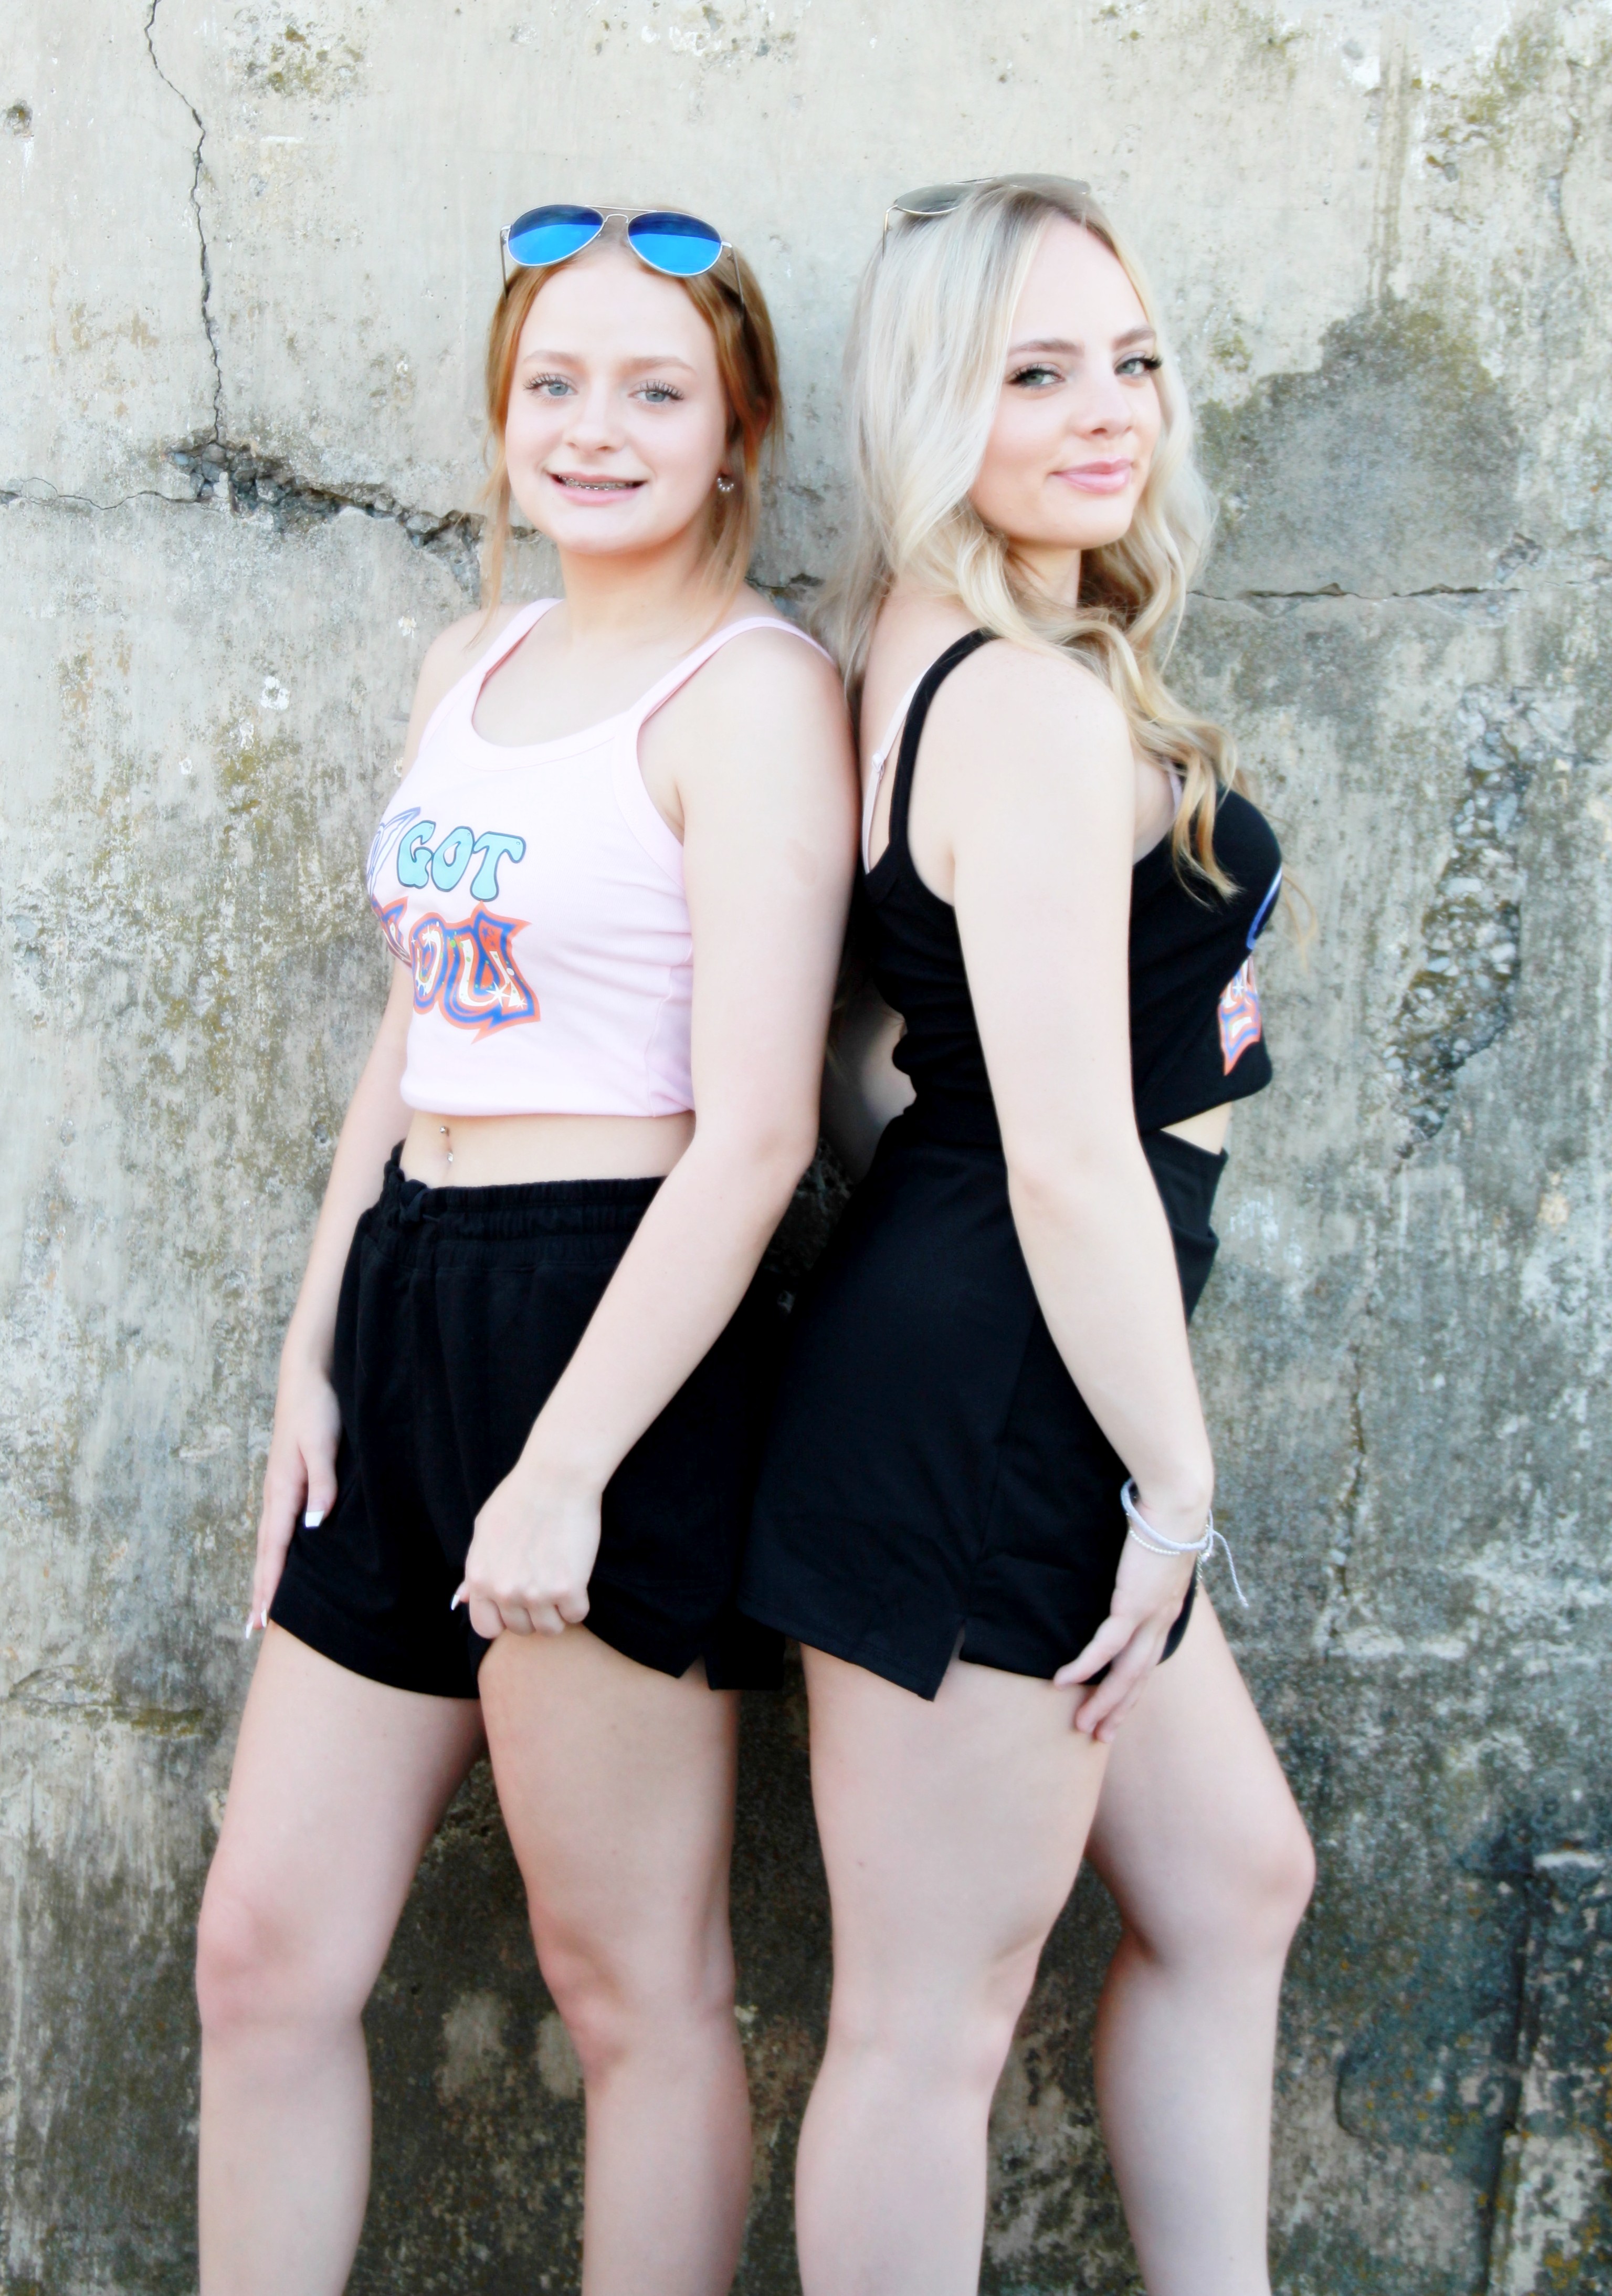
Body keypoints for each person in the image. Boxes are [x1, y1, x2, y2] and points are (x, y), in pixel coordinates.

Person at [193, 203, 856, 2296]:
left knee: (627, 1980)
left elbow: (760, 1134)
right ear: (501, 413)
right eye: (554, 382)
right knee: (262, 1951)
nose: (595, 427)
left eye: (656, 389)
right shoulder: (466, 664)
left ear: (737, 431)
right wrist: (311, 1352)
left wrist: (566, 1462)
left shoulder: (756, 695)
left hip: (609, 1312)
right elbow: (411, 1031)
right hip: (413, 1289)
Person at [740, 176, 1315, 2296]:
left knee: (1235, 1881)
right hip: (1011, 1391)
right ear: (928, 403)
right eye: (1035, 371)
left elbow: (898, 1062)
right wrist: (1174, 1488)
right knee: (927, 2025)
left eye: (1133, 361)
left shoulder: (930, 653)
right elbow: (1068, 1159)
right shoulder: (1029, 706)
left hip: (1002, 1350)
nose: (1108, 411)